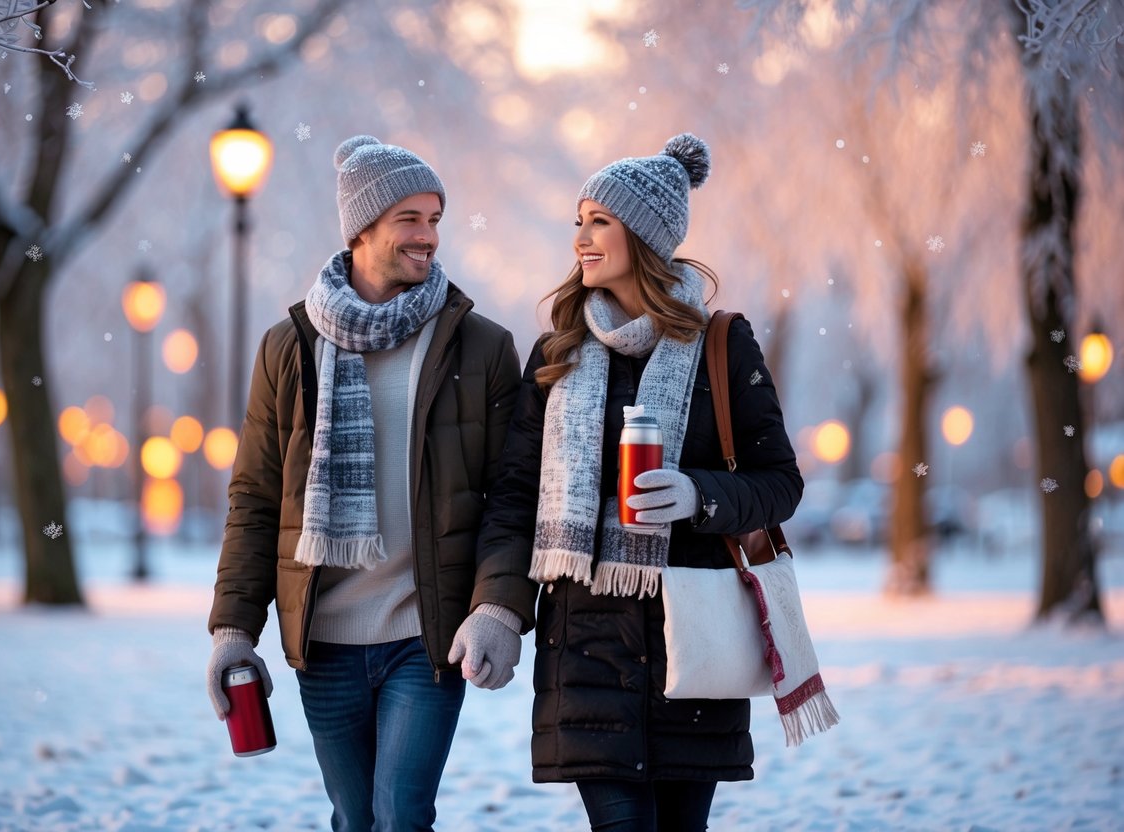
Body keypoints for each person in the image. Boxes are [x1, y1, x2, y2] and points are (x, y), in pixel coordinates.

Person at [468, 134, 805, 832]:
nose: (582, 239)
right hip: (584, 653)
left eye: (600, 222)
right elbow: (513, 503)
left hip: (693, 651)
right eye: (579, 222)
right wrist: (499, 609)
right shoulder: (557, 351)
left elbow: (780, 484)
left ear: (645, 237)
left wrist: (698, 496)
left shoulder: (721, 343)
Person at [206, 135, 524, 832]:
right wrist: (234, 629)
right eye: (410, 219)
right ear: (361, 228)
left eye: (435, 219)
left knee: (400, 814)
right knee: (354, 819)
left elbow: (509, 500)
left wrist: (498, 607)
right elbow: (256, 499)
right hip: (325, 640)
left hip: (426, 633)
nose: (428, 236)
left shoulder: (480, 348)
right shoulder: (288, 348)